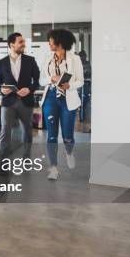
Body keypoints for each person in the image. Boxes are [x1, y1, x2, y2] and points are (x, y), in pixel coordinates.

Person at [40, 29, 84, 180]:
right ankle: (53, 168)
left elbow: (80, 81)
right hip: (50, 98)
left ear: (60, 42)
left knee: (67, 136)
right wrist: (51, 79)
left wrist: (69, 86)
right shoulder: (47, 58)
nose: (49, 43)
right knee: (51, 136)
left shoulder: (74, 59)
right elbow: (41, 80)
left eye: (51, 41)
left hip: (67, 99)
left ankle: (69, 152)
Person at [0, 32, 40, 170]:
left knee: (27, 130)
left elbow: (37, 81)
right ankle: (3, 160)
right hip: (8, 102)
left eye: (23, 42)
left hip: (26, 102)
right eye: (20, 42)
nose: (23, 44)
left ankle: (26, 159)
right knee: (5, 131)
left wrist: (30, 89)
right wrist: (1, 89)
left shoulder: (30, 60)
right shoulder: (1, 62)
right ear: (12, 44)